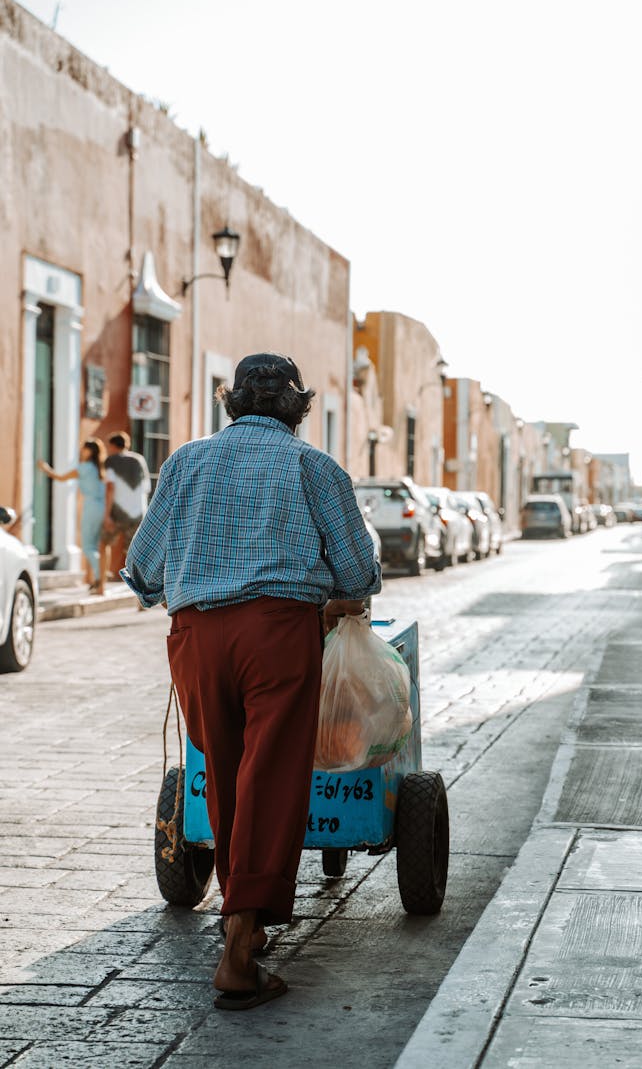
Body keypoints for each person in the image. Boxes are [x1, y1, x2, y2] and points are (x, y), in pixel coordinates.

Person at [121, 353, 381, 1011]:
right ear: (297, 408)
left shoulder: (185, 461)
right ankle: (239, 946)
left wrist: (179, 582)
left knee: (230, 772)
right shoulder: (314, 467)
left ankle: (249, 919)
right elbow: (356, 572)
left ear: (231, 402)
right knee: (272, 777)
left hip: (198, 638)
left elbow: (141, 569)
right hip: (278, 634)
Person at [37, 439, 106, 591]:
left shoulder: (85, 467)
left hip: (91, 507)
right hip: (101, 507)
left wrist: (45, 468)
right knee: (94, 545)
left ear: (90, 451)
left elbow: (61, 478)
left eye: (84, 449)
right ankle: (98, 580)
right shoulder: (98, 468)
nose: (81, 451)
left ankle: (99, 579)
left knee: (88, 547)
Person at [99, 432, 150, 595]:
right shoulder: (139, 460)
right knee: (135, 555)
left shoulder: (111, 461)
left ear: (113, 446)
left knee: (103, 545)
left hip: (118, 513)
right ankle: (140, 597)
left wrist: (107, 515)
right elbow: (146, 487)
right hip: (138, 513)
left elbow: (110, 488)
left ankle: (101, 586)